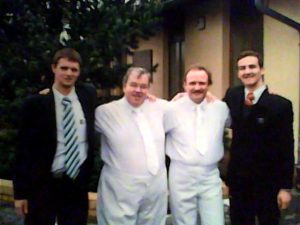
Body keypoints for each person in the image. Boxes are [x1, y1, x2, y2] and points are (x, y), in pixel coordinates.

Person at [13, 48, 97, 225]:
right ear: (54, 68)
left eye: (74, 69)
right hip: (44, 183)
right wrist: (20, 193)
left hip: (76, 182)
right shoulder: (36, 104)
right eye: (64, 68)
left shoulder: (87, 95)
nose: (69, 73)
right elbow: (22, 150)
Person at [223, 50, 294, 225]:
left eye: (252, 66)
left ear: (262, 70)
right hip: (239, 181)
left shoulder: (280, 105)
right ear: (238, 73)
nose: (247, 71)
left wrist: (285, 187)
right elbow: (213, 108)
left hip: (269, 182)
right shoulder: (233, 95)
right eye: (242, 68)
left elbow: (287, 147)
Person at [95, 67, 168, 225]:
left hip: (155, 188)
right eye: (133, 85)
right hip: (120, 189)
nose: (138, 90)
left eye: (143, 86)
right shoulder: (105, 112)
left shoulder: (161, 108)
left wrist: (202, 95)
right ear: (124, 86)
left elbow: (188, 107)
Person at [164, 65, 230, 225]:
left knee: (215, 221)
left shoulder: (220, 108)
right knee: (183, 221)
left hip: (210, 174)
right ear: (184, 85)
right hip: (181, 174)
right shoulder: (170, 109)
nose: (197, 87)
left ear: (208, 84)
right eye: (192, 83)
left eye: (202, 83)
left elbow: (242, 119)